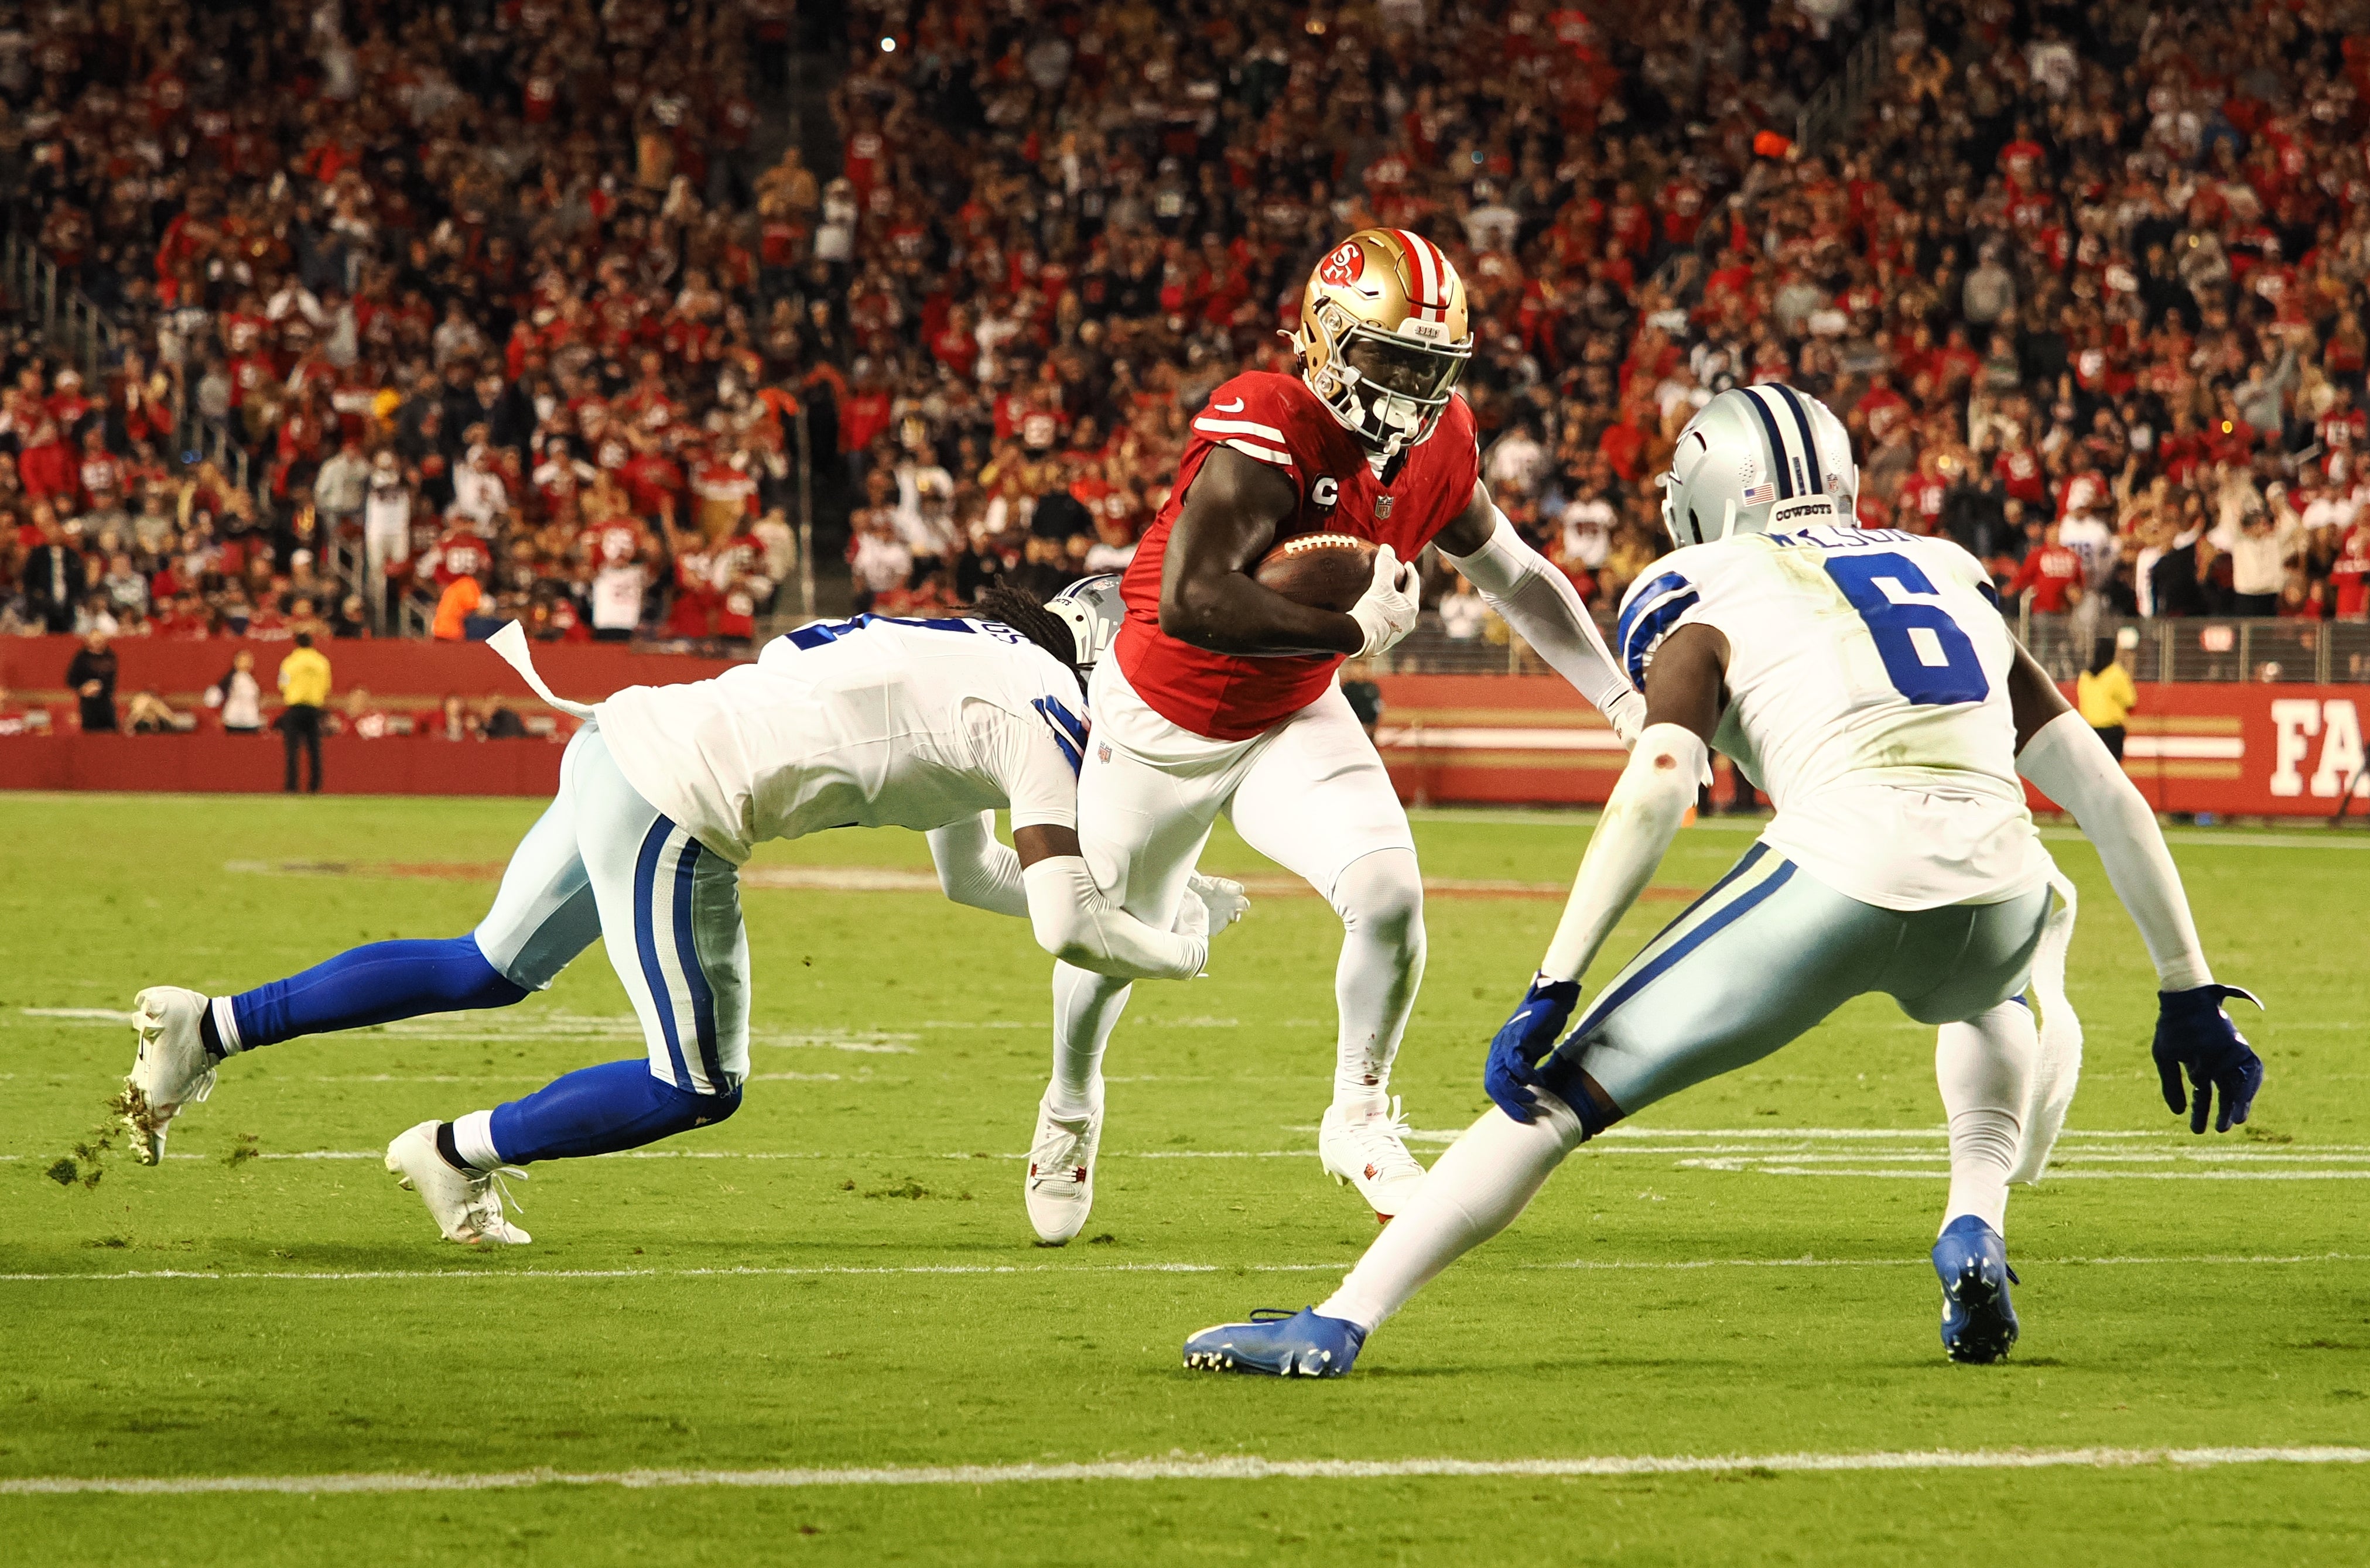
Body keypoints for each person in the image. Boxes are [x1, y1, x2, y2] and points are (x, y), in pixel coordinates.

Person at [1184, 385, 2263, 1377]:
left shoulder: (1695, 581)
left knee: (1552, 1096)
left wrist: (1557, 977)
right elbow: (2106, 793)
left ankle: (1338, 1321)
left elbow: (1660, 784)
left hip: (1841, 870)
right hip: (2003, 885)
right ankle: (1973, 1219)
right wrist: (2185, 984)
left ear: (1705, 490)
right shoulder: (1945, 566)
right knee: (1984, 997)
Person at [118, 585, 1248, 1248]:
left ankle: (210, 1026)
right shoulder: (1042, 706)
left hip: (623, 739)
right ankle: (454, 1152)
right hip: (680, 803)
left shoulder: (958, 649)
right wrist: (1180, 944)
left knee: (484, 965)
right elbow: (1063, 922)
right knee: (698, 1082)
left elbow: (975, 875)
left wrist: (1148, 901)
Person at [1022, 230, 1644, 1244]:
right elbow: (1190, 599)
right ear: (1322, 337)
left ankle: (1356, 1112)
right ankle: (1070, 1100)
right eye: (1390, 359)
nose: (1408, 389)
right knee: (1108, 950)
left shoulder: (1439, 448)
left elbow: (1519, 577)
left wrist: (1621, 703)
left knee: (1390, 893)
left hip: (1289, 711)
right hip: (1164, 716)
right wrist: (1348, 629)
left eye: (1429, 367)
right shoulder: (1268, 415)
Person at [278, 633, 332, 793]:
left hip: (295, 708)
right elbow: (326, 686)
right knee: (315, 750)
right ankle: (315, 786)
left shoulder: (290, 662)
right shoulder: (322, 662)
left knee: (292, 750)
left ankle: (292, 786)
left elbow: (283, 684)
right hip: (314, 709)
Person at [2077, 635, 2138, 762]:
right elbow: (2130, 701)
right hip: (2111, 732)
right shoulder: (2115, 673)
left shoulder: (2085, 676)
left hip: (2089, 730)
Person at [66, 631, 118, 733]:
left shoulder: (110, 656)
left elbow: (112, 680)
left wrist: (100, 687)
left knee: (110, 730)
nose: (97, 644)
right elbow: (71, 679)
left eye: (99, 641)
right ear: (88, 642)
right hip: (87, 702)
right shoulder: (81, 658)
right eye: (95, 641)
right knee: (90, 731)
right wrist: (83, 688)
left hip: (105, 700)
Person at [206, 649, 266, 734]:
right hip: (233, 722)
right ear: (236, 662)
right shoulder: (230, 679)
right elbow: (212, 698)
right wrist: (217, 714)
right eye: (243, 660)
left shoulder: (252, 680)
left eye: (249, 660)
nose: (247, 663)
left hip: (251, 722)